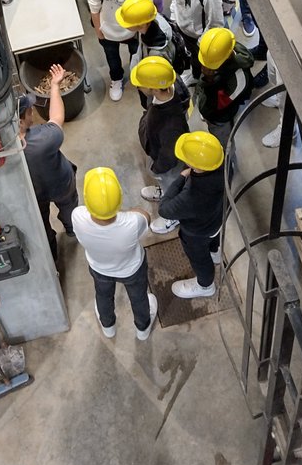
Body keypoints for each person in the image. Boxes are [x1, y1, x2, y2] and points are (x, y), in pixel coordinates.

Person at [71, 167, 158, 340]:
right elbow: (146, 217)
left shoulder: (77, 216)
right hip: (132, 269)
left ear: (87, 201)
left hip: (99, 268)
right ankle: (143, 329)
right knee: (139, 297)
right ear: (119, 197)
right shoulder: (132, 223)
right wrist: (131, 211)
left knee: (103, 295)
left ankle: (108, 326)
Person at [158, 132, 226, 299]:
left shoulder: (192, 196)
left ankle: (205, 285)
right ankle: (216, 253)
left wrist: (181, 178)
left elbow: (164, 209)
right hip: (217, 218)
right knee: (214, 238)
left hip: (197, 233)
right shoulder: (223, 164)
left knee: (200, 259)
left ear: (195, 166)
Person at [19, 64, 77, 259]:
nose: (32, 113)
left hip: (33, 195)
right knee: (69, 208)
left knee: (42, 221)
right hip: (61, 184)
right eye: (29, 111)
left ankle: (51, 249)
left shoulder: (4, 149)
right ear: (20, 120)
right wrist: (54, 85)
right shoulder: (44, 138)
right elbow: (57, 117)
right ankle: (72, 229)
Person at [129, 56, 189, 235]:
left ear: (153, 88)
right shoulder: (169, 89)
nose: (138, 87)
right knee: (166, 182)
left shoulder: (171, 124)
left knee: (173, 183)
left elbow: (169, 156)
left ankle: (174, 214)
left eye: (140, 84)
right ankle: (164, 190)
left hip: (168, 164)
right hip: (159, 149)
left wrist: (157, 168)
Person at [87, 0, 153, 102]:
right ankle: (116, 79)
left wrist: (144, 33)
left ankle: (137, 75)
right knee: (112, 58)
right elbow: (94, 8)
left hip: (134, 32)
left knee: (136, 55)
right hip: (108, 31)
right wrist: (100, 32)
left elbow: (148, 9)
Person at [195, 26, 267, 154]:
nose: (204, 66)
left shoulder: (237, 79)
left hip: (219, 117)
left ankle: (227, 160)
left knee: (223, 143)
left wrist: (208, 81)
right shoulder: (224, 48)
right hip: (215, 93)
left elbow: (216, 106)